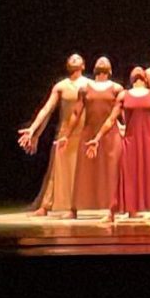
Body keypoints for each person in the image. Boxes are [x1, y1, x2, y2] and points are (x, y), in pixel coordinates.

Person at [86, 67, 150, 224]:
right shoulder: (124, 95)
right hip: (131, 141)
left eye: (141, 70)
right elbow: (110, 120)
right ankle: (112, 213)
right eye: (134, 71)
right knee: (126, 176)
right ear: (131, 78)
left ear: (146, 78)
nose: (137, 71)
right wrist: (97, 138)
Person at [17, 54, 88, 216]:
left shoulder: (89, 84)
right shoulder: (60, 86)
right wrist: (33, 129)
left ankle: (80, 206)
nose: (74, 59)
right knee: (56, 169)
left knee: (82, 170)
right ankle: (46, 205)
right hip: (65, 132)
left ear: (84, 65)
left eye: (78, 58)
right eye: (71, 58)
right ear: (67, 65)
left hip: (84, 130)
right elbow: (46, 110)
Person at [54, 57, 125, 218]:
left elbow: (121, 112)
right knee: (83, 171)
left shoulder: (117, 88)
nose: (102, 61)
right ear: (93, 68)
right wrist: (66, 135)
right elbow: (76, 113)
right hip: (89, 132)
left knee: (114, 169)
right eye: (99, 60)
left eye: (106, 61)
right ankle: (74, 210)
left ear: (111, 69)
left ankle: (115, 208)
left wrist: (125, 127)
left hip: (111, 134)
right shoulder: (85, 88)